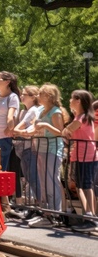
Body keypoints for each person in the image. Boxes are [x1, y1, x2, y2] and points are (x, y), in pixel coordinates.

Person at [25, 83, 64, 227]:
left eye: (41, 94)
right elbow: (34, 127)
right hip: (41, 149)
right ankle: (46, 213)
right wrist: (24, 132)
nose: (38, 96)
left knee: (51, 181)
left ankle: (54, 214)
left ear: (48, 96)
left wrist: (46, 126)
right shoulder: (40, 109)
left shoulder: (55, 112)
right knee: (43, 182)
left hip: (52, 150)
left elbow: (60, 132)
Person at [62, 90, 97, 232]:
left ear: (79, 101)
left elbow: (66, 132)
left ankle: (91, 218)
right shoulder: (84, 116)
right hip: (82, 154)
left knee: (86, 185)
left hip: (85, 155)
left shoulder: (80, 118)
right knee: (82, 185)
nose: (70, 101)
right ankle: (89, 215)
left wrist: (66, 131)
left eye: (72, 99)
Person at [13, 85, 40, 208]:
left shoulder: (34, 110)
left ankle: (40, 207)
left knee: (33, 179)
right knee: (30, 179)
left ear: (33, 97)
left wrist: (19, 132)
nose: (21, 96)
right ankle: (36, 206)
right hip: (24, 148)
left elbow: (24, 131)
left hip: (29, 148)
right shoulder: (26, 110)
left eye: (24, 94)